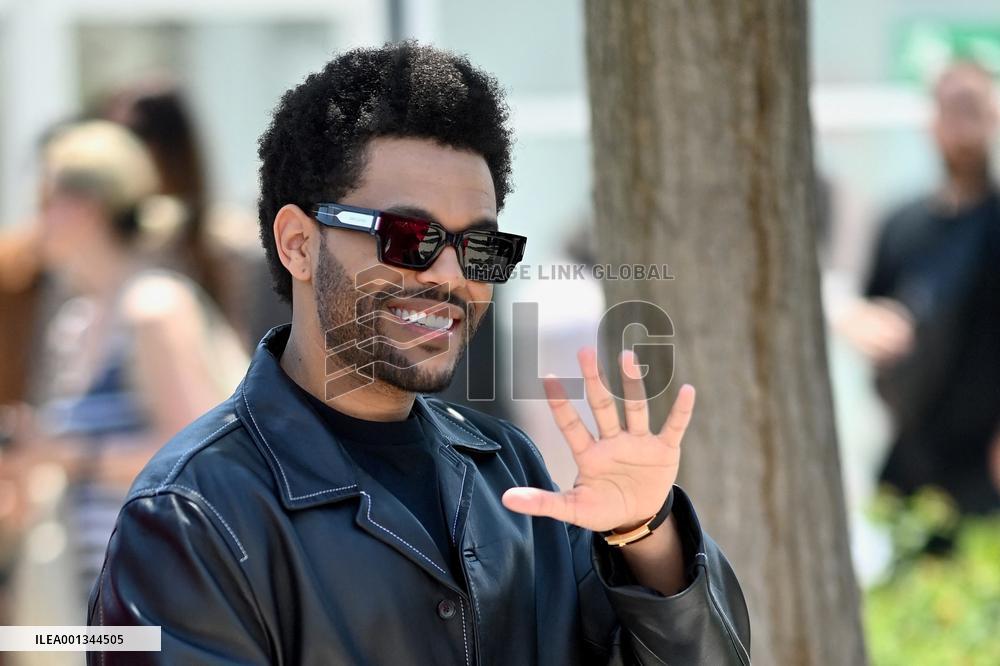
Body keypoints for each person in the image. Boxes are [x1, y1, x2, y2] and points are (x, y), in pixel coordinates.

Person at [87, 42, 750, 665]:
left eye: (481, 248)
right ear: (298, 244)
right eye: (409, 238)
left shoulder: (510, 474)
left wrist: (647, 536)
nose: (449, 276)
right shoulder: (191, 514)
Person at [4, 120, 248, 612]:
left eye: (46, 201)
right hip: (98, 605)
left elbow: (196, 458)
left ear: (85, 206)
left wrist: (71, 455)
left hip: (165, 597)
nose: (37, 221)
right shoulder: (75, 322)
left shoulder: (153, 307)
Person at [840, 60, 1000, 514]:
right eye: (952, 107)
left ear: (994, 117)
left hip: (986, 469)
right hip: (909, 463)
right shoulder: (900, 223)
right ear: (931, 121)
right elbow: (870, 308)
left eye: (974, 106)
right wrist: (864, 324)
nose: (962, 121)